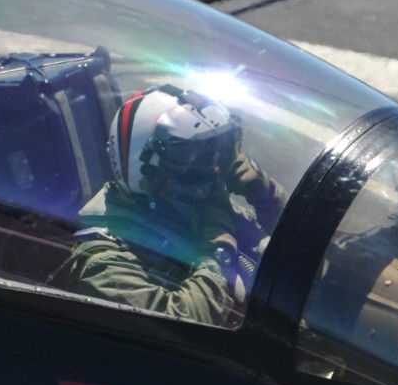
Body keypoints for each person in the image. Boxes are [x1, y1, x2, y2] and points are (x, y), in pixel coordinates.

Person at [62, 85, 284, 326]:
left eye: (217, 153)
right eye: (194, 158)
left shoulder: (195, 210)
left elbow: (290, 256)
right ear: (143, 166)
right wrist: (217, 254)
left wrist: (268, 200)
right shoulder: (103, 263)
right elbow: (181, 326)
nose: (214, 170)